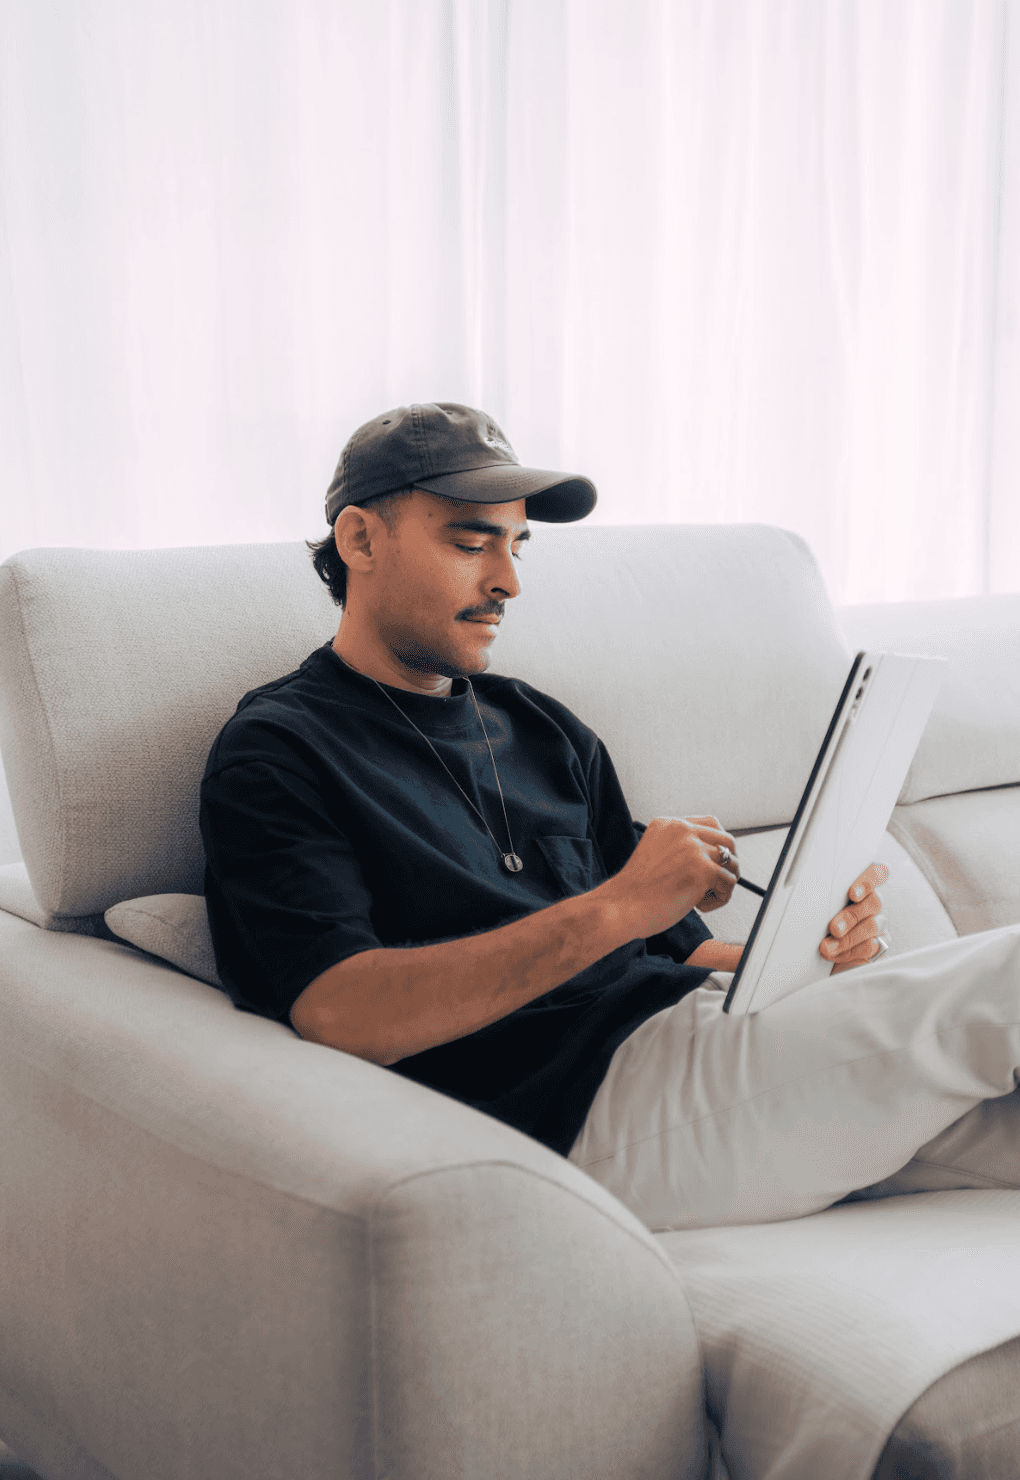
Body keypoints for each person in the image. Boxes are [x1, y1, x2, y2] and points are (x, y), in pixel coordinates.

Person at [199, 401, 1020, 1232]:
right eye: (471, 541)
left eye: (517, 546)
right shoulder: (280, 751)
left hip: (708, 1048)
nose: (508, 581)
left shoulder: (542, 727)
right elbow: (339, 1012)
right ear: (360, 540)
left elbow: (691, 955)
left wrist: (814, 956)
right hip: (580, 1107)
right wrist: (621, 904)